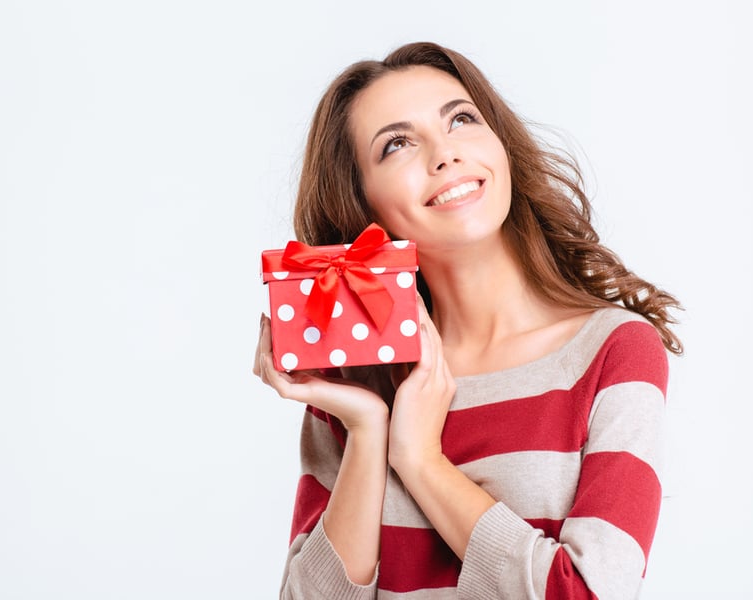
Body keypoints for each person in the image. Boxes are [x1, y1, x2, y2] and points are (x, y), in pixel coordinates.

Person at [253, 41, 683, 600]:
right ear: (363, 206)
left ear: (500, 144)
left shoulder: (613, 350)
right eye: (397, 145)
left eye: (461, 119)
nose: (444, 154)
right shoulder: (350, 375)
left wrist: (421, 461)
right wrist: (366, 429)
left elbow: (587, 594)